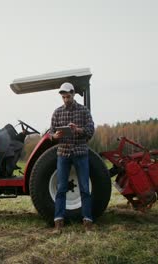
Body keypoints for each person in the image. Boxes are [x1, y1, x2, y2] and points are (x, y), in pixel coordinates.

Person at [50, 82, 95, 232]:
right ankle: (58, 222)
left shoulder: (83, 111)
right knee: (61, 188)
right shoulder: (57, 113)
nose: (65, 99)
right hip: (63, 153)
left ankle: (87, 221)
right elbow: (50, 133)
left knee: (84, 188)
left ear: (73, 94)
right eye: (63, 97)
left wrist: (78, 129)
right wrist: (54, 136)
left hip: (80, 153)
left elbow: (90, 130)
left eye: (68, 96)